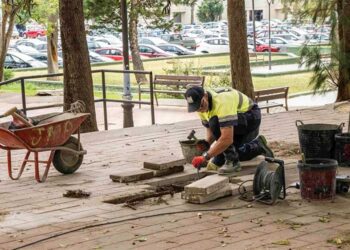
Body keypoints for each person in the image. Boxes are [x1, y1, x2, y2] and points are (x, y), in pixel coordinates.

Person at [185, 86, 274, 174]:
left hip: (251, 119)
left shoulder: (222, 101)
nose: (200, 110)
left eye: (201, 105)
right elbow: (210, 128)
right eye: (196, 108)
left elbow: (227, 138)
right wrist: (207, 144)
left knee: (216, 123)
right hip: (236, 123)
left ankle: (233, 162)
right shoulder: (201, 107)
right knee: (232, 152)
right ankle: (258, 146)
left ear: (205, 95)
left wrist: (206, 156)